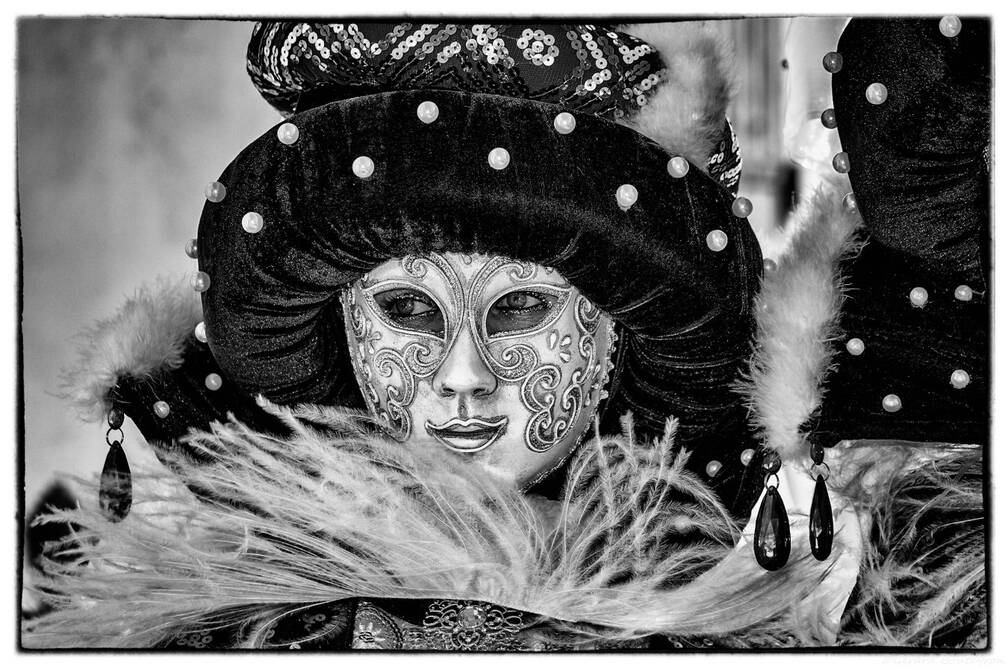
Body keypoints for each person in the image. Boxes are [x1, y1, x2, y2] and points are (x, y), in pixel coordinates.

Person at [23, 19, 986, 650]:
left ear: (614, 337)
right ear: (343, 332)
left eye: (523, 310)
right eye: (406, 313)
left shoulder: (773, 579)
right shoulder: (246, 624)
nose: (463, 380)